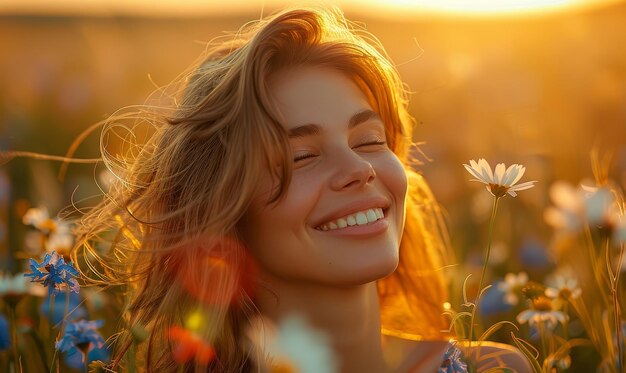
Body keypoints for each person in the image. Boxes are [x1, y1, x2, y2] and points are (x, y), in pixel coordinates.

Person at [62, 6, 529, 372]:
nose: (359, 168)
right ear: (225, 209)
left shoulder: (492, 369)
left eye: (369, 140)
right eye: (300, 157)